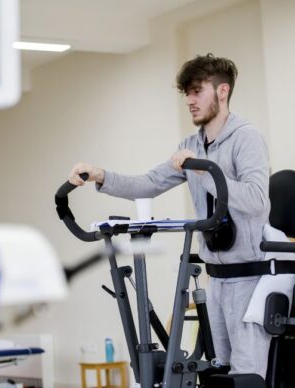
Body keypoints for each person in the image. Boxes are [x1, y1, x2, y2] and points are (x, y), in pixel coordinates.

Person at [68, 53, 271, 378]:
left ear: (222, 91)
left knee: (247, 376)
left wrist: (204, 171)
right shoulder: (192, 144)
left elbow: (257, 200)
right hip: (216, 277)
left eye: (197, 91)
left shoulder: (246, 138)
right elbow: (148, 183)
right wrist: (100, 175)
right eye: (186, 93)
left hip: (249, 276)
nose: (189, 101)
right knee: (218, 373)